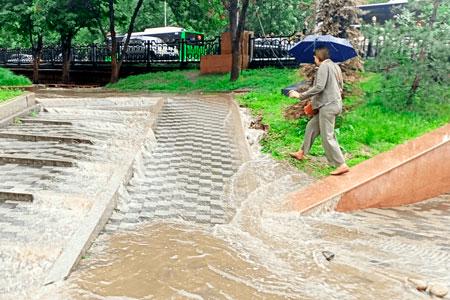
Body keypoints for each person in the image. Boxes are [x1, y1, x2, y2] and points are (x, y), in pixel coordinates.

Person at [288, 46, 350, 176]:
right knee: (311, 126)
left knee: (327, 136)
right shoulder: (335, 66)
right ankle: (302, 152)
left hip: (328, 106)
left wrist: (300, 95)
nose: (314, 59)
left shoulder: (323, 67)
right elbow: (339, 87)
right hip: (333, 104)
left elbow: (319, 87)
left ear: (318, 57)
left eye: (314, 57)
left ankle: (341, 164)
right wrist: (314, 103)